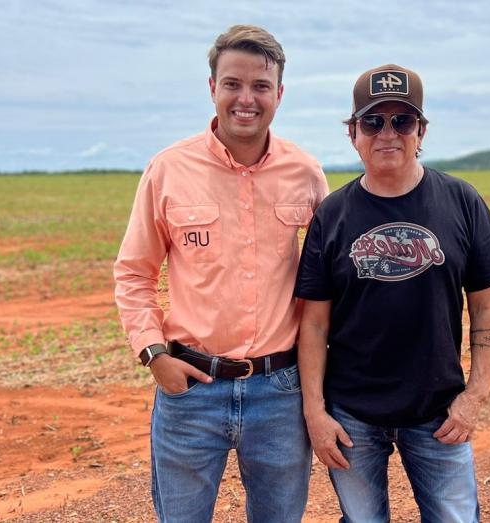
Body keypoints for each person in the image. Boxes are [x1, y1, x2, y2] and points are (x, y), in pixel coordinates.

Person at [114, 25, 329, 523]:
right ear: (212, 88)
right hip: (191, 391)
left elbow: (329, 283)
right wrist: (153, 355)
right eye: (233, 84)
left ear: (279, 93)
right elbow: (134, 273)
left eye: (260, 86)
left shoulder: (306, 173)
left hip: (280, 393)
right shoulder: (168, 169)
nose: (246, 99)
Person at [295, 64, 490, 523]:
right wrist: (316, 414)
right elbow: (314, 323)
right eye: (373, 121)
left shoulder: (461, 201)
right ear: (353, 133)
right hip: (352, 412)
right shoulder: (332, 214)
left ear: (421, 131)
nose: (388, 133)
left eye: (403, 121)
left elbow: (487, 309)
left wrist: (473, 397)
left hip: (438, 409)